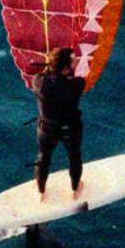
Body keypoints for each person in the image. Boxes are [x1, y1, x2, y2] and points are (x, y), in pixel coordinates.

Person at [32, 46, 85, 202]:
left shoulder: (38, 82)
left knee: (43, 157)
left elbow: (46, 75)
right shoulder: (77, 85)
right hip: (70, 129)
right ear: (66, 68)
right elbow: (72, 79)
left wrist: (52, 64)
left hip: (47, 129)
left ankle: (41, 192)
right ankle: (75, 189)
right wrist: (71, 69)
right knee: (74, 157)